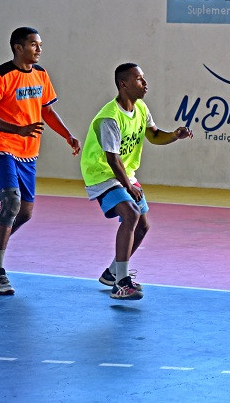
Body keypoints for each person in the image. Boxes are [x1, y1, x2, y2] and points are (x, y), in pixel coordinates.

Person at [0, 27, 81, 295]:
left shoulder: (41, 75)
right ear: (18, 47)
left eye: (40, 44)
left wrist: (68, 135)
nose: (39, 49)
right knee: (11, 202)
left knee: (25, 213)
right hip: (2, 147)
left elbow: (47, 111)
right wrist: (16, 129)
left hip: (28, 153)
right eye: (33, 44)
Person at [80, 63, 193, 300]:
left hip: (125, 173)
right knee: (130, 214)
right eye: (140, 79)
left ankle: (112, 273)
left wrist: (174, 135)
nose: (145, 83)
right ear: (124, 84)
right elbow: (112, 159)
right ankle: (121, 283)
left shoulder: (141, 108)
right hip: (101, 173)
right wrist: (129, 187)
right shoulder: (109, 118)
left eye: (144, 78)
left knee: (143, 226)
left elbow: (153, 135)